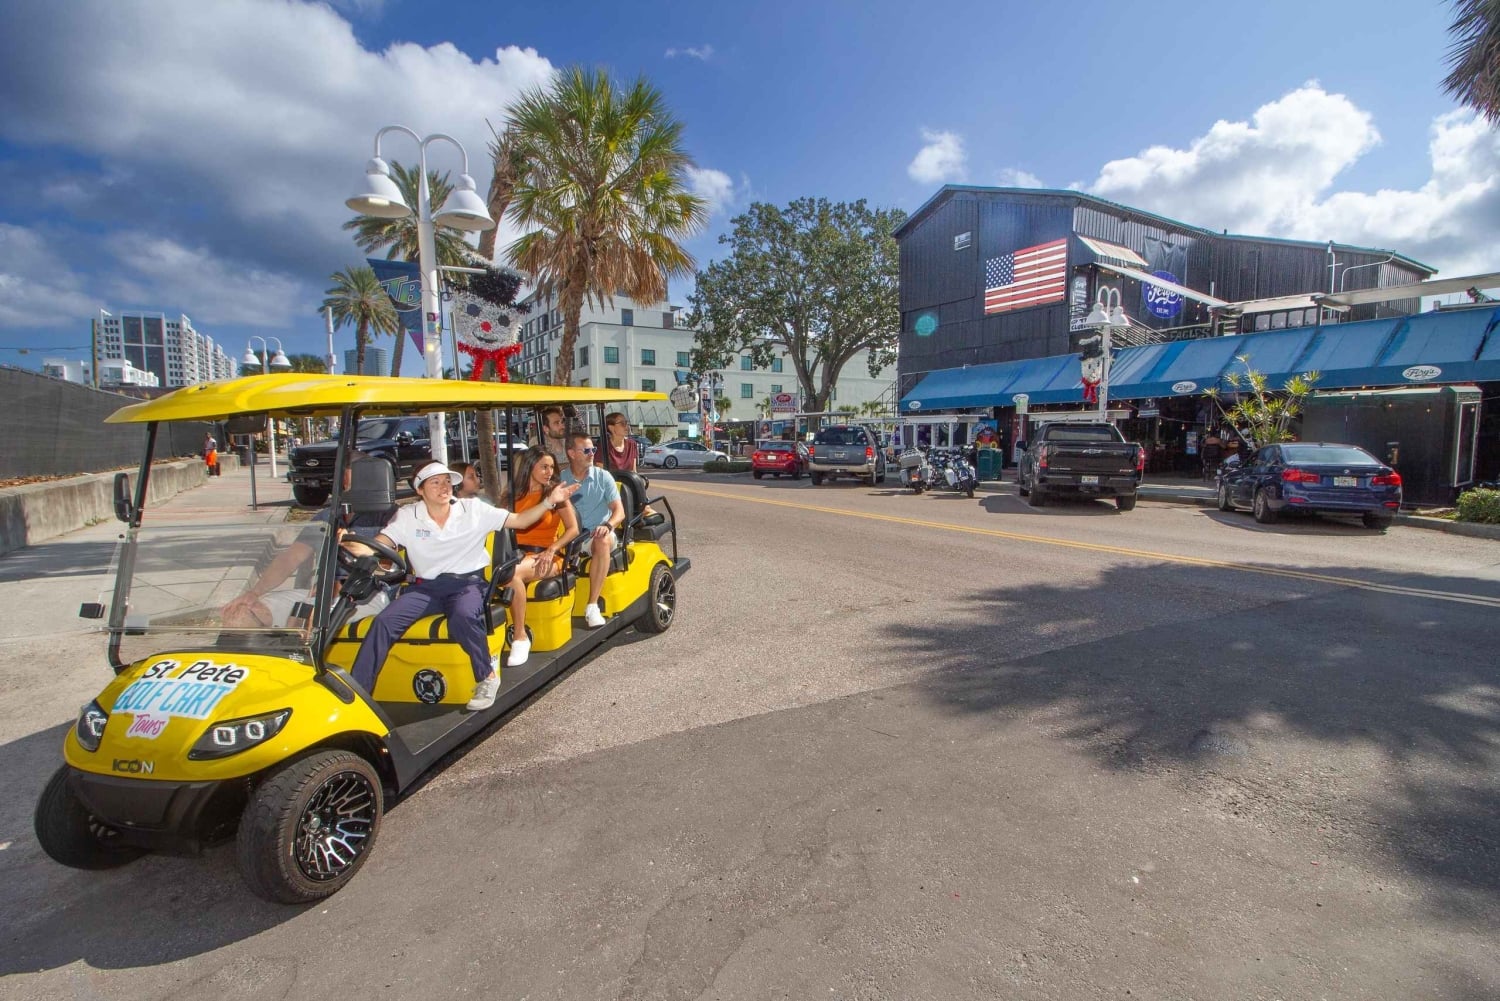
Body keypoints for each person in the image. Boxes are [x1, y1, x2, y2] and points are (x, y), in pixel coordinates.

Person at [349, 461, 579, 711]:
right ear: (420, 490)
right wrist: (353, 545)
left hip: (467, 584)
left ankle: (487, 677)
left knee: (463, 617)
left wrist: (548, 502)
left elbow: (521, 521)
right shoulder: (408, 516)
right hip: (425, 588)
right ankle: (358, 694)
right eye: (435, 482)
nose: (444, 486)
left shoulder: (473, 510)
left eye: (447, 481)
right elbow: (380, 544)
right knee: (383, 622)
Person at [222, 450, 394, 628]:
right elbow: (290, 558)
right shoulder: (327, 517)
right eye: (341, 472)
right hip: (322, 593)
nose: (343, 477)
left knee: (306, 618)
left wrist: (340, 585)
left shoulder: (390, 517)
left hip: (367, 596)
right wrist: (254, 593)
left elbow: (386, 567)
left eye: (350, 471)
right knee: (240, 614)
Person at [504, 447, 580, 666]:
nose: (549, 472)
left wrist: (553, 549)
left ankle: (520, 637)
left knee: (511, 574)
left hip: (546, 557)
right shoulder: (511, 497)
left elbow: (573, 529)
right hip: (516, 554)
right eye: (544, 467)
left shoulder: (555, 495)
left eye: (551, 467)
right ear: (530, 467)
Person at [560, 431, 626, 629]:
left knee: (601, 540)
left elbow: (619, 511)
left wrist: (607, 525)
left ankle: (592, 606)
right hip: (572, 536)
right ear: (571, 453)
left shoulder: (603, 476)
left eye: (593, 449)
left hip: (600, 534)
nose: (591, 454)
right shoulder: (560, 479)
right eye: (586, 450)